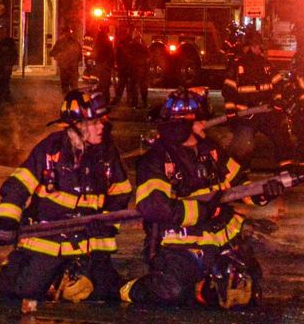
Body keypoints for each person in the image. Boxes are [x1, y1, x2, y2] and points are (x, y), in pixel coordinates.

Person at [121, 88, 289, 307]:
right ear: (183, 126)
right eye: (201, 121)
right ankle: (132, 289)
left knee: (247, 289)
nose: (206, 125)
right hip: (179, 246)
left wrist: (265, 191)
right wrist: (202, 211)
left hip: (222, 240)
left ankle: (207, 286)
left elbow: (241, 188)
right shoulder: (157, 160)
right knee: (173, 292)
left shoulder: (211, 151)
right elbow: (155, 208)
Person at [0, 90, 132, 303]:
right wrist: (7, 223)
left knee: (100, 294)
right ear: (76, 126)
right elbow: (17, 186)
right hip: (49, 240)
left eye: (102, 121)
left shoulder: (107, 154)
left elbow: (120, 194)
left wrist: (107, 223)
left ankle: (70, 274)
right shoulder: (50, 150)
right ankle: (12, 270)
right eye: (94, 122)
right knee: (24, 291)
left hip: (88, 243)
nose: (101, 127)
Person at [222, 31, 295, 171]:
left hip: (266, 113)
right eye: (257, 46)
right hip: (245, 115)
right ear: (250, 47)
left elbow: (278, 84)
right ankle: (238, 172)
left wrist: (278, 101)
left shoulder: (266, 66)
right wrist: (231, 111)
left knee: (281, 135)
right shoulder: (237, 67)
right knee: (244, 145)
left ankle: (286, 166)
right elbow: (228, 91)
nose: (259, 50)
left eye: (259, 46)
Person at [49, 28, 83, 95]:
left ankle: (66, 101)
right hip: (73, 68)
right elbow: (79, 55)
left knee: (65, 87)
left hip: (64, 68)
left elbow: (53, 52)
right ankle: (74, 101)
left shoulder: (60, 41)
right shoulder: (75, 42)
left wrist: (57, 56)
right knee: (74, 87)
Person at [0, 32, 18, 108]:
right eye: (0, 31)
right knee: (2, 82)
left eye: (3, 30)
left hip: (7, 67)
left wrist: (10, 64)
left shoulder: (10, 42)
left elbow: (15, 54)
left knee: (5, 82)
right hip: (0, 67)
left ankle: (4, 99)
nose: (2, 33)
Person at [91, 24, 115, 104]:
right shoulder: (103, 39)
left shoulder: (100, 38)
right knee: (104, 83)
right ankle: (104, 100)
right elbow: (108, 52)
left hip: (101, 63)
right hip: (104, 64)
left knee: (103, 83)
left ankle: (103, 100)